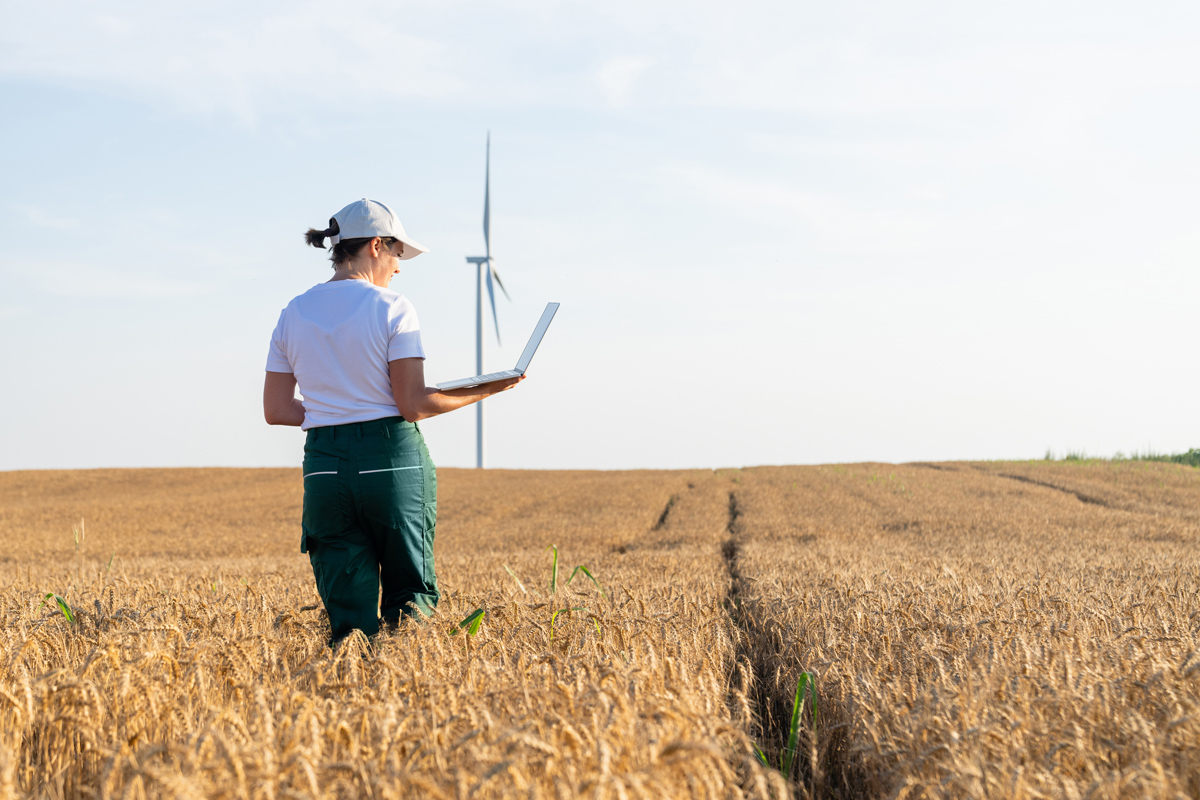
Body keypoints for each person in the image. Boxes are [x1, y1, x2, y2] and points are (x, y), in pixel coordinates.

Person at [263, 198, 522, 645]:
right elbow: (413, 403)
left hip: (325, 468)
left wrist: (335, 412)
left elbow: (277, 410)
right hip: (391, 463)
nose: (398, 269)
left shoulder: (293, 313)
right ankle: (406, 698)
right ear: (377, 246)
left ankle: (344, 699)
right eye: (397, 255)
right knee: (409, 602)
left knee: (347, 614)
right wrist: (488, 387)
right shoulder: (393, 307)